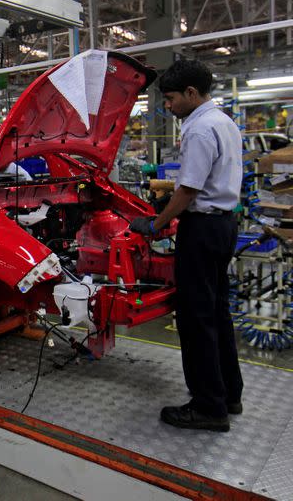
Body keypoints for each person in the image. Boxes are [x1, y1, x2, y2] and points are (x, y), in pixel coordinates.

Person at [130, 59, 243, 432]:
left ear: (192, 94)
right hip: (225, 224)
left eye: (172, 98)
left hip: (202, 227)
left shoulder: (197, 129)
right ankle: (229, 393)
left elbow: (189, 189)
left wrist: (155, 224)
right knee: (217, 311)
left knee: (195, 319)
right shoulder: (224, 122)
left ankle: (208, 407)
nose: (168, 106)